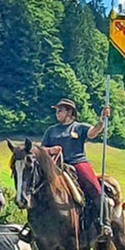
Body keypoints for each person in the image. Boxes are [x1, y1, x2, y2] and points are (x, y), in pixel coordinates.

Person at [41, 98, 111, 236]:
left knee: (96, 189)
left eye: (60, 110)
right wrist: (50, 150)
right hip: (56, 165)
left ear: (69, 112)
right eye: (57, 111)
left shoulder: (79, 127)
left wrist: (102, 120)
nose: (57, 114)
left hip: (77, 162)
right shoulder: (51, 131)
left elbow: (93, 132)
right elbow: (42, 149)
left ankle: (105, 223)